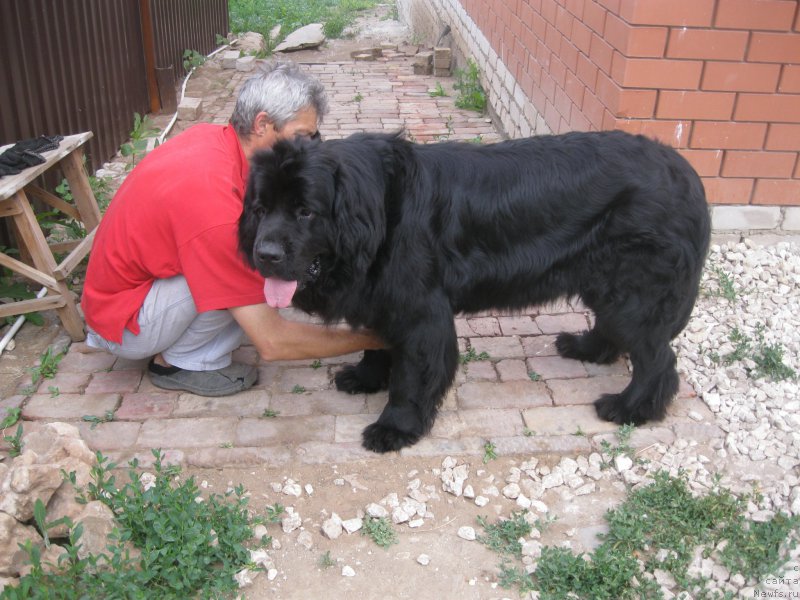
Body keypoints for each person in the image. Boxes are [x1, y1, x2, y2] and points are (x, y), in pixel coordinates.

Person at [82, 62, 384, 397]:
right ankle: (181, 362)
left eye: (315, 136)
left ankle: (189, 344)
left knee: (254, 264)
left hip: (123, 292)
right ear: (262, 125)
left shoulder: (215, 139)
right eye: (303, 136)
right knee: (253, 267)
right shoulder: (215, 206)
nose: (312, 146)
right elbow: (273, 342)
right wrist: (379, 338)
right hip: (124, 322)